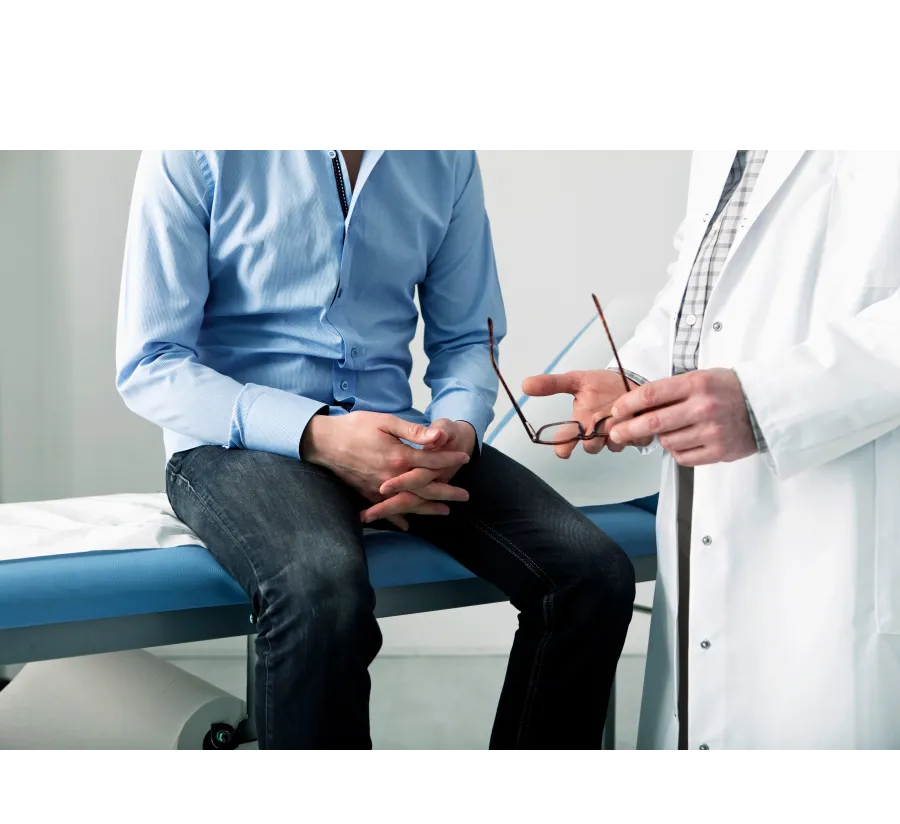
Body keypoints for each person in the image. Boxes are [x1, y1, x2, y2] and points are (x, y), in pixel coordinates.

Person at [116, 147, 635, 752]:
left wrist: (454, 432)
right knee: (321, 590)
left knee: (592, 573)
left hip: (403, 436)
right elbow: (151, 365)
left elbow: (467, 337)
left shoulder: (445, 157)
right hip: (235, 443)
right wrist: (318, 433)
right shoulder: (196, 146)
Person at [524, 144, 900, 751]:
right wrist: (642, 380)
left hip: (852, 509)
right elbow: (699, 287)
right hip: (711, 498)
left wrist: (765, 402)